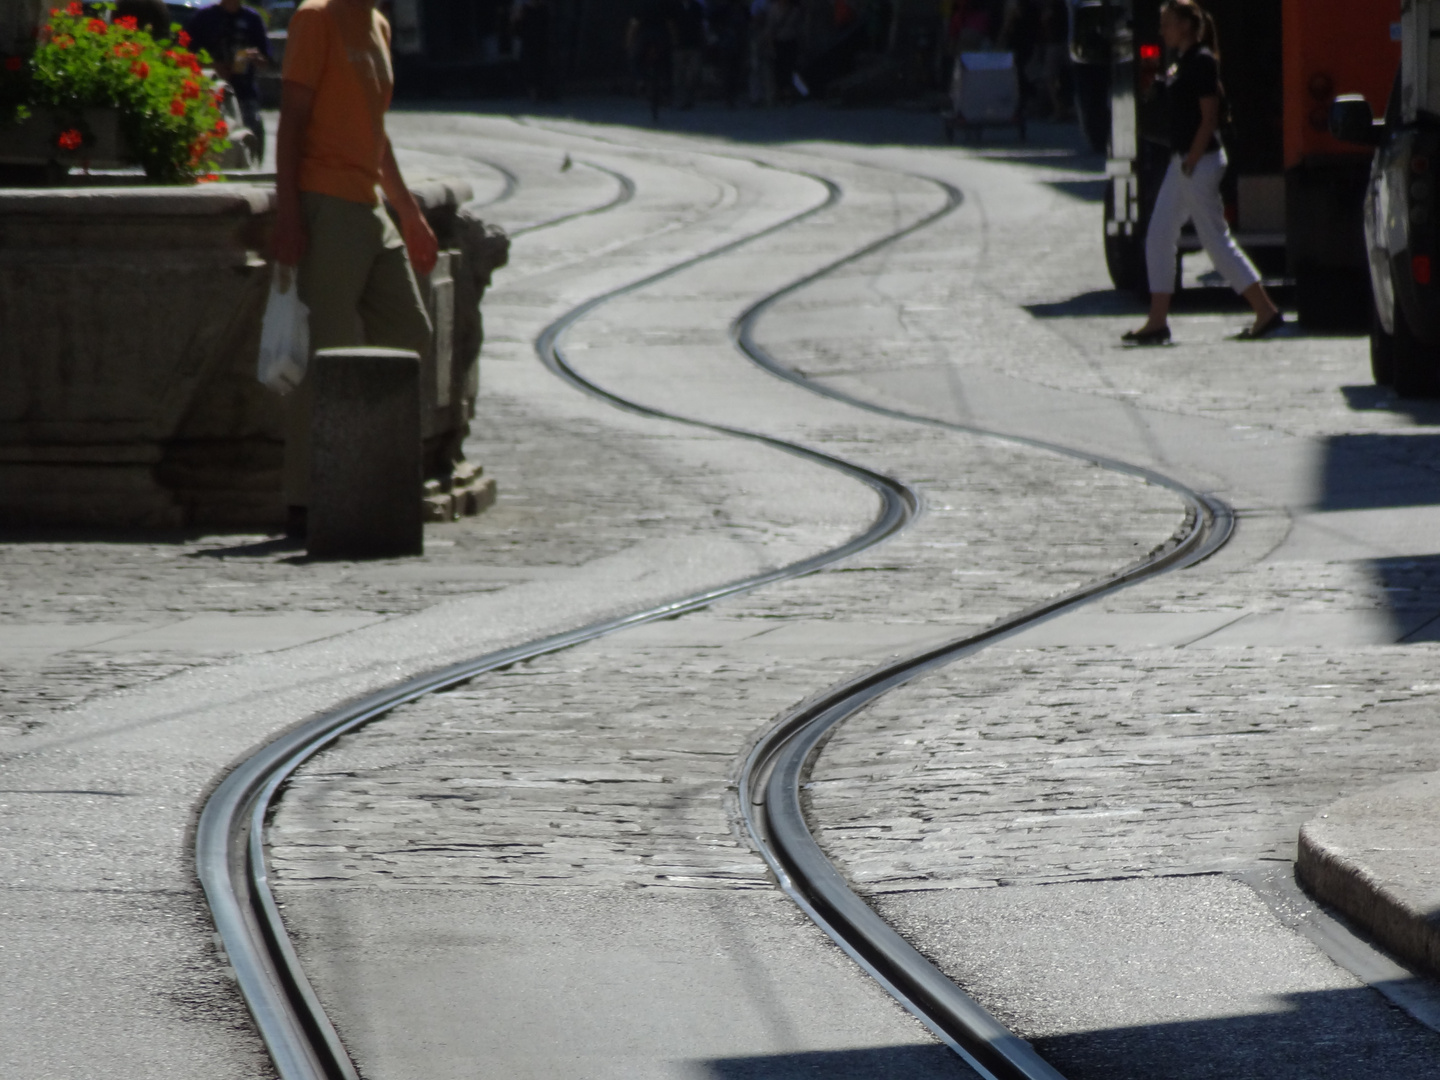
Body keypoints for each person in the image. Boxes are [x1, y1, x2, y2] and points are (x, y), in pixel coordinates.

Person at [271, 0, 437, 536]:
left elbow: (375, 132)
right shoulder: (316, 18)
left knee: (410, 332)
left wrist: (409, 214)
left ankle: (373, 476)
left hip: (368, 206)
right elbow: (291, 120)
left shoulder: (378, 24)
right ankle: (307, 497)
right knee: (328, 352)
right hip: (325, 200)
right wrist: (290, 213)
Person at [1124, 0, 1282, 344]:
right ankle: (1157, 321)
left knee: (1215, 241)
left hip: (1198, 162)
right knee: (1159, 236)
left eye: (1167, 23)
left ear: (1185, 26)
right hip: (1183, 162)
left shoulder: (1202, 62)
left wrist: (1191, 160)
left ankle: (1265, 310)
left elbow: (1209, 118)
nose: (1162, 30)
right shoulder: (1182, 62)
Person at [185, 0, 272, 161]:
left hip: (245, 92)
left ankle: (249, 169)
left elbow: (266, 61)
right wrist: (213, 66)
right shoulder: (204, 18)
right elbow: (186, 55)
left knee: (250, 135)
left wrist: (254, 57)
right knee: (212, 140)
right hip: (211, 91)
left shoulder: (252, 19)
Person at [511, 0, 551, 101]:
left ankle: (539, 91)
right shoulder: (523, 6)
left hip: (540, 39)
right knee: (529, 66)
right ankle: (533, 92)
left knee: (539, 65)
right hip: (529, 39)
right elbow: (516, 22)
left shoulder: (543, 8)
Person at [672, 0, 706, 109]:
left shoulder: (696, 6)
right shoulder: (675, 6)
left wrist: (703, 38)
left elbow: (701, 23)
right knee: (679, 73)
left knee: (694, 73)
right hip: (679, 44)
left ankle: (690, 98)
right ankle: (680, 99)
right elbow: (671, 23)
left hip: (694, 44)